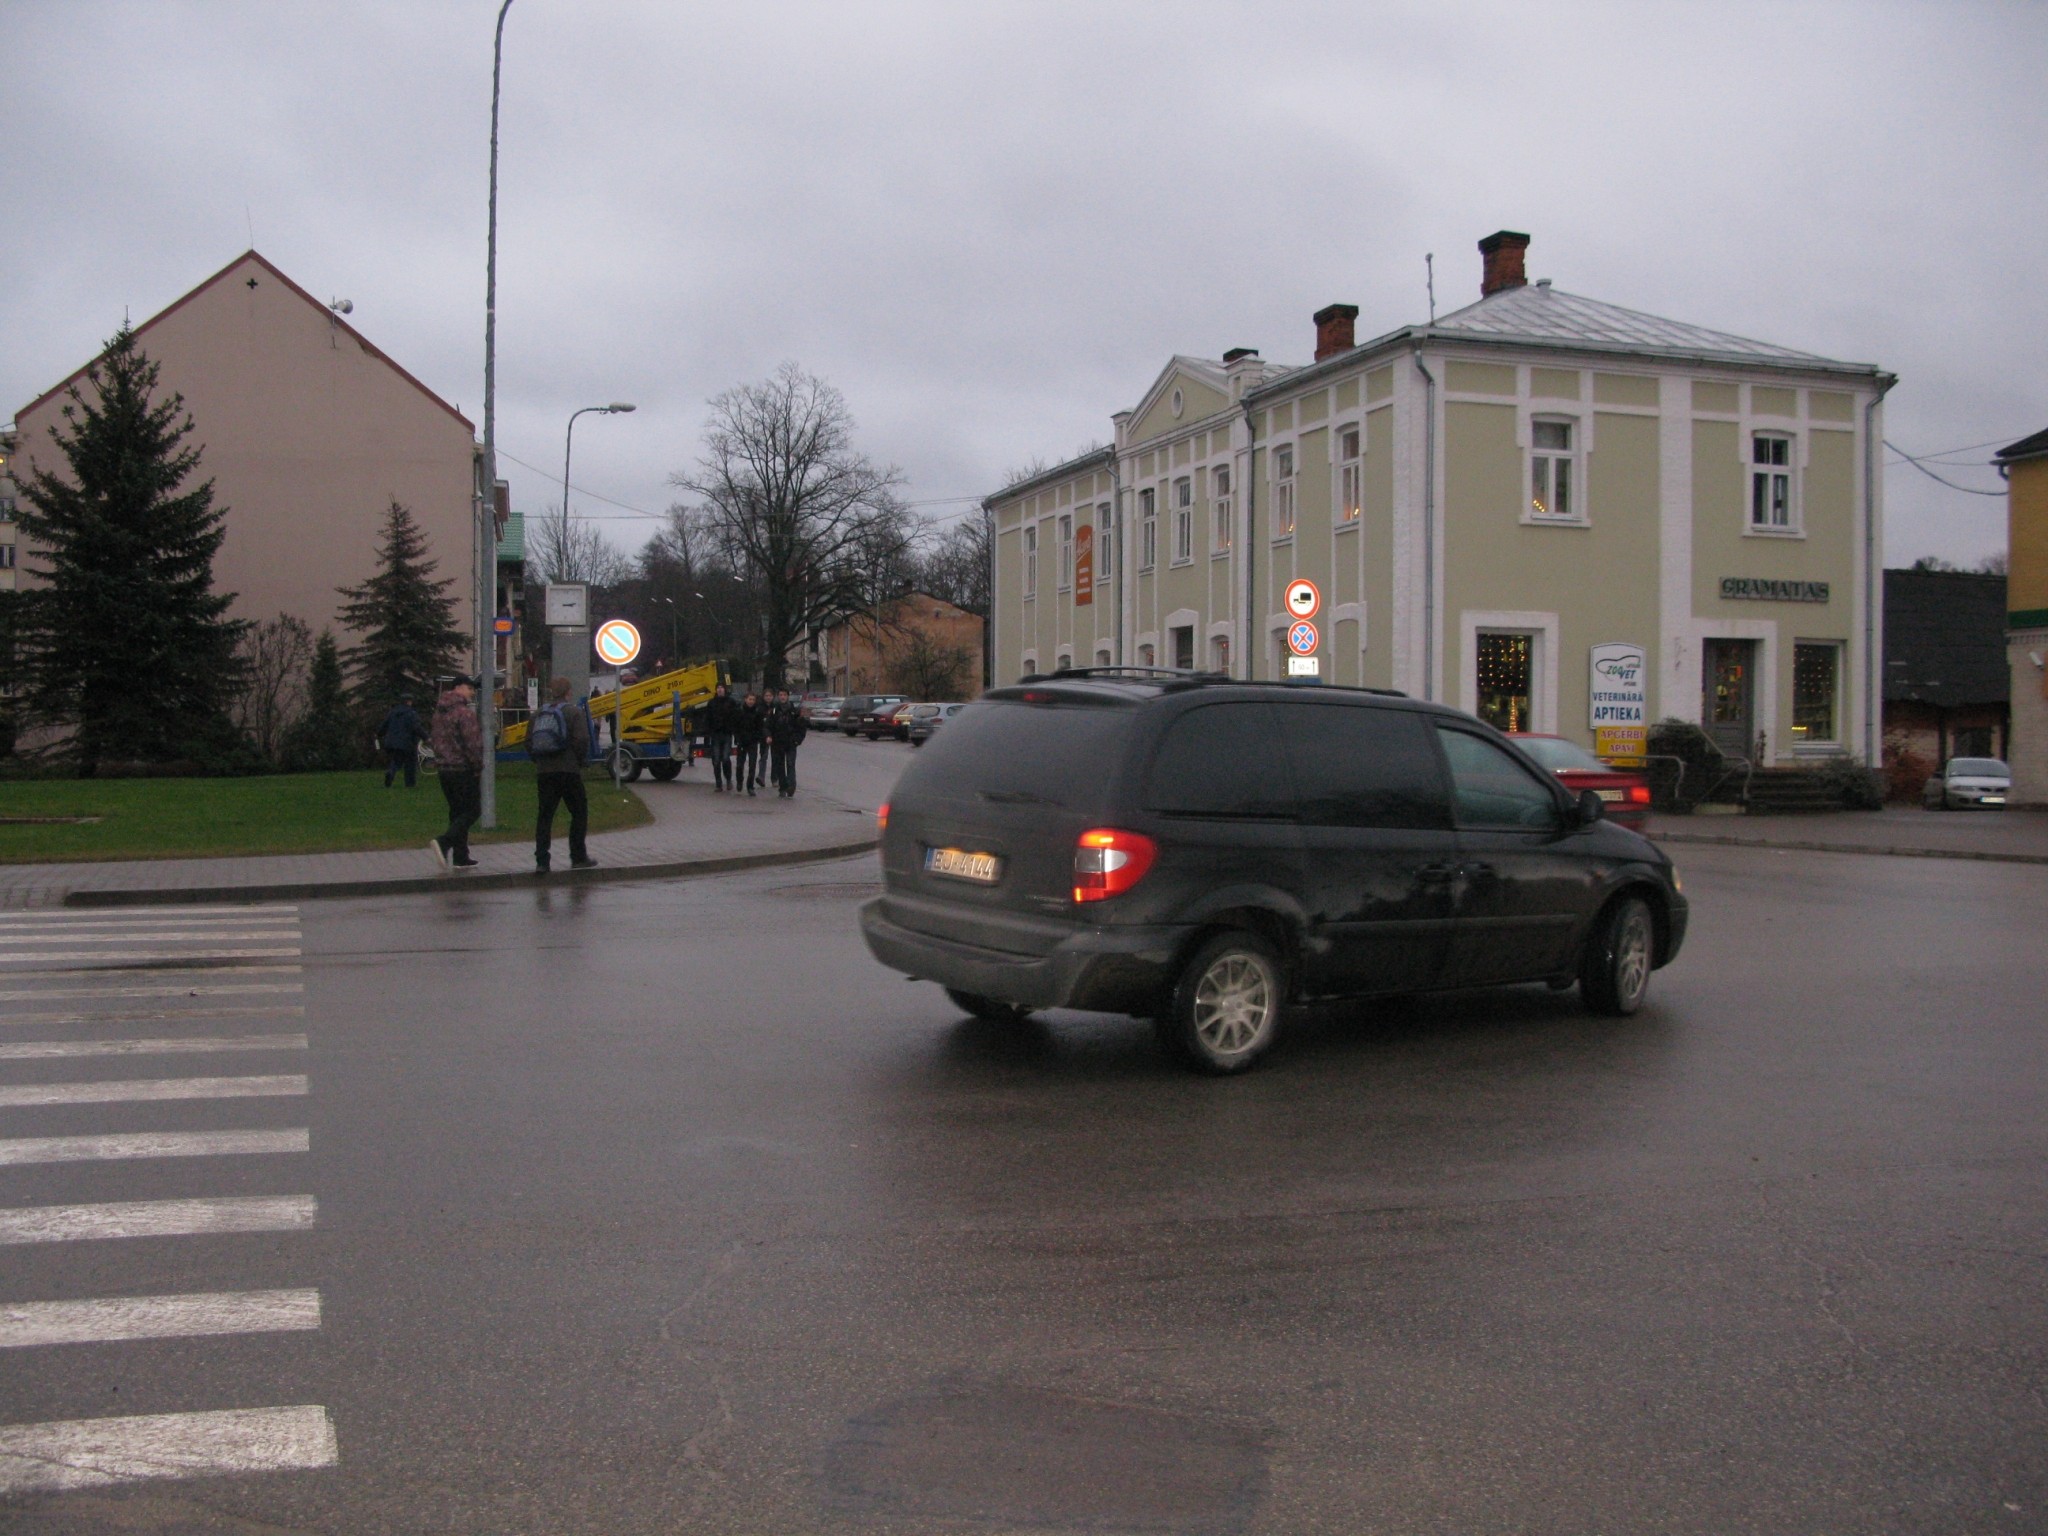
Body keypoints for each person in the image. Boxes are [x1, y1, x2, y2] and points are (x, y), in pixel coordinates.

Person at [532, 675, 598, 875]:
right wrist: (577, 760)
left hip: (544, 772)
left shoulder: (538, 714)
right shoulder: (574, 712)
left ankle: (542, 861)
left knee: (545, 816)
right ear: (568, 692)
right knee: (578, 812)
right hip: (568, 771)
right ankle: (578, 857)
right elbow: (582, 739)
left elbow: (529, 741)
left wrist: (540, 761)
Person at [427, 678, 483, 869]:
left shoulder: (439, 713)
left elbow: (434, 739)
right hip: (463, 769)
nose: (472, 693)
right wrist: (477, 766)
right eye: (469, 688)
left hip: (444, 769)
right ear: (458, 688)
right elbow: (473, 744)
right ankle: (444, 842)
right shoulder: (464, 713)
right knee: (473, 810)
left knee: (457, 811)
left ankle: (461, 855)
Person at [377, 695, 426, 788]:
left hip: (392, 742)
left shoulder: (392, 712)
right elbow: (416, 727)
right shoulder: (411, 713)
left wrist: (379, 734)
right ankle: (410, 784)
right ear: (408, 702)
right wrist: (426, 737)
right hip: (408, 742)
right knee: (410, 763)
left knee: (396, 760)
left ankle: (391, 772)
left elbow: (384, 725)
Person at [766, 689, 808, 798]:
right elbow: (768, 726)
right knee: (780, 765)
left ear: (788, 696)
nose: (782, 697)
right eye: (780, 695)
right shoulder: (774, 711)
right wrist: (769, 736)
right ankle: (782, 787)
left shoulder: (794, 711)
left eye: (784, 695)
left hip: (790, 742)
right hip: (777, 742)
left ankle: (791, 785)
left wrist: (797, 740)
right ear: (778, 697)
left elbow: (801, 727)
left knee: (790, 764)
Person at [703, 683, 739, 792]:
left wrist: (734, 731)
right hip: (715, 735)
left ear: (725, 690)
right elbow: (707, 718)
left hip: (727, 734)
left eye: (721, 688)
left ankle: (728, 780)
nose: (720, 690)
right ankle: (718, 784)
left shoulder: (731, 702)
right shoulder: (712, 703)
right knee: (716, 760)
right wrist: (708, 732)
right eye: (718, 688)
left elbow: (735, 717)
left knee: (725, 758)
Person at [733, 690, 766, 797]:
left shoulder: (757, 712)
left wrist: (758, 738)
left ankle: (750, 786)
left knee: (752, 765)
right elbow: (736, 726)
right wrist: (737, 738)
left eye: (753, 700)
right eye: (749, 699)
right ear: (745, 699)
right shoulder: (739, 711)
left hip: (753, 742)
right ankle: (739, 781)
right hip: (742, 742)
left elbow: (760, 727)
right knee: (739, 765)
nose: (751, 701)